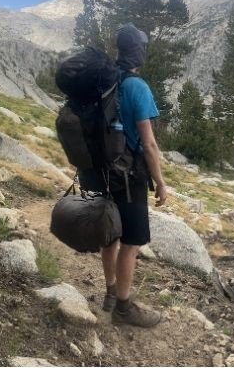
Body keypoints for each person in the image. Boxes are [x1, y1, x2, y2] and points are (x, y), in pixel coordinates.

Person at [81, 23, 169, 327]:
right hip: (129, 179)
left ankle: (109, 292)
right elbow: (149, 143)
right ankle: (123, 307)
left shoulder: (103, 82)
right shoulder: (137, 87)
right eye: (142, 45)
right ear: (137, 50)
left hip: (101, 174)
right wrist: (160, 182)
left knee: (110, 237)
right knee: (131, 243)